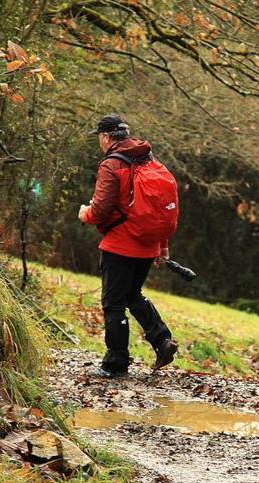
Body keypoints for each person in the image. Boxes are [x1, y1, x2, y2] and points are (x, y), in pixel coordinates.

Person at [78, 114, 178, 378]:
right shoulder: (149, 159)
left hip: (120, 245)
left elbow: (100, 210)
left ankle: (116, 364)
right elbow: (158, 211)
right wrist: (162, 245)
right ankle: (162, 340)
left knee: (113, 304)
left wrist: (85, 213)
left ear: (106, 137)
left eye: (99, 137)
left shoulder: (111, 165)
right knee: (133, 294)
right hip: (147, 245)